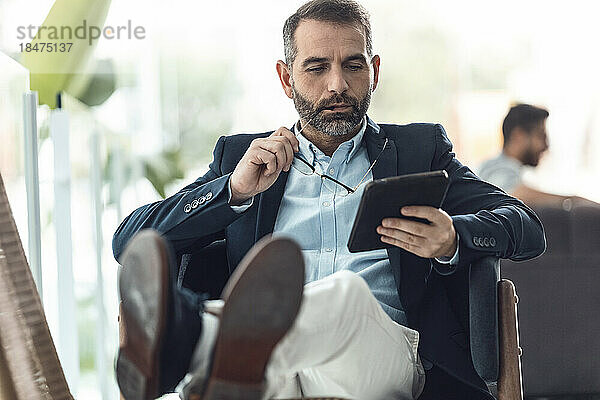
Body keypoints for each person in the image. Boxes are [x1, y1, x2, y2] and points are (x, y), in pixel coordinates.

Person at [112, 1, 546, 399]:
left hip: (379, 355)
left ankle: (194, 337)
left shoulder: (420, 150)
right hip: (273, 369)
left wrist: (454, 239)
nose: (337, 85)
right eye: (317, 67)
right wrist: (234, 191)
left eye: (352, 66)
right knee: (265, 368)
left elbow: (526, 225)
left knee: (345, 296)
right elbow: (129, 242)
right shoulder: (240, 158)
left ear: (373, 70)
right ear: (287, 78)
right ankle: (223, 355)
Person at [478, 104, 597, 209]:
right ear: (518, 136)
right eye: (541, 136)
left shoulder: (503, 168)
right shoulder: (497, 169)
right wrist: (570, 201)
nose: (545, 146)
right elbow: (509, 194)